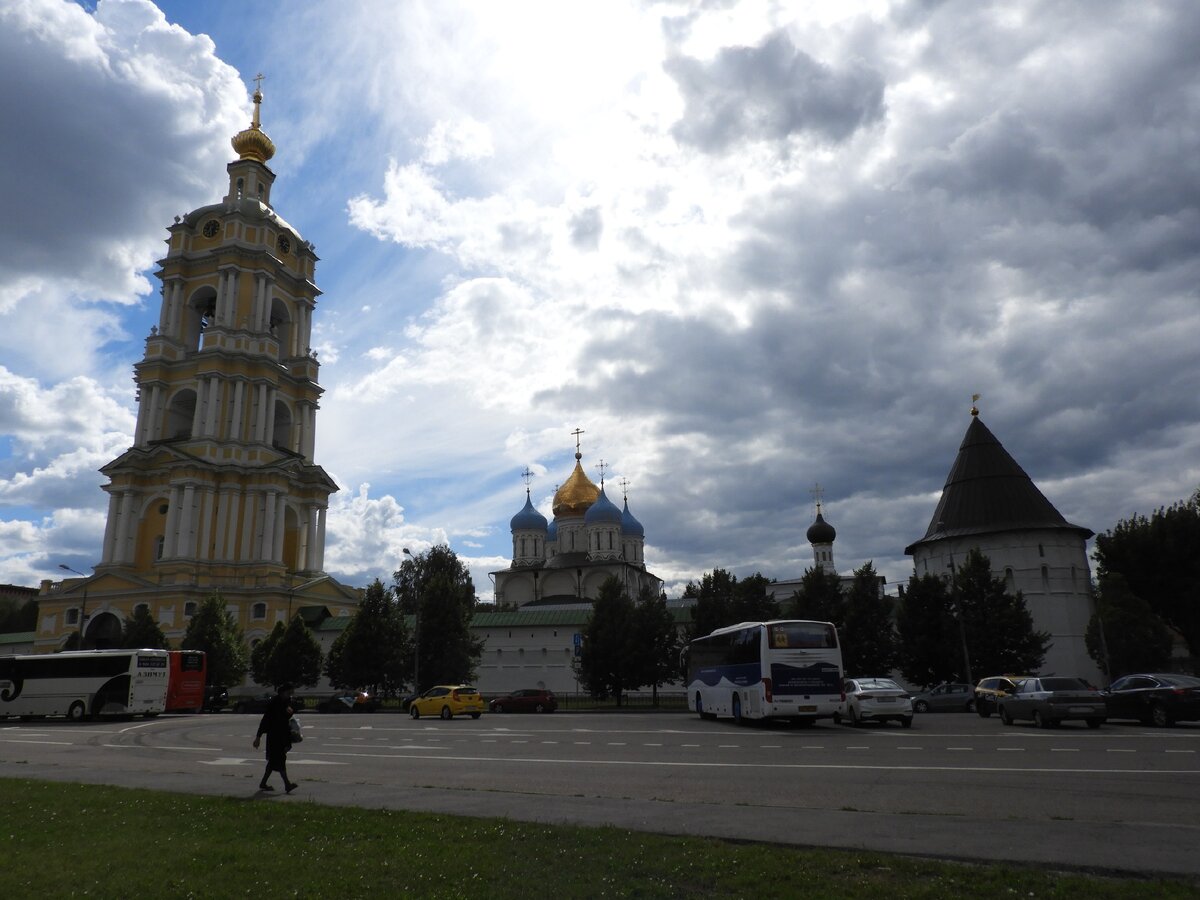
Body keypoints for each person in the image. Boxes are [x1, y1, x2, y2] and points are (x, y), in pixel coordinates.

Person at [253, 683, 298, 793]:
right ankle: (287, 784)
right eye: (289, 693)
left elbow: (287, 718)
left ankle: (263, 783)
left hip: (282, 736)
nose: (290, 695)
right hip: (274, 736)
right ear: (283, 692)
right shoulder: (274, 703)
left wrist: (291, 712)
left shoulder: (286, 702)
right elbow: (265, 720)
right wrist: (258, 737)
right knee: (280, 759)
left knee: (273, 762)